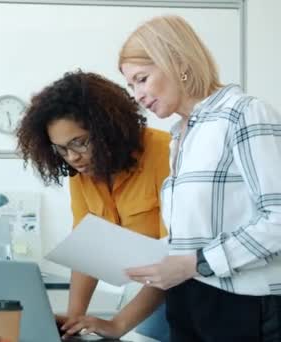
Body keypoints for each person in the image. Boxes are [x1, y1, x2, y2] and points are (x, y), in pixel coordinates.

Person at [119, 15, 281, 341]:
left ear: (177, 62)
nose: (137, 94)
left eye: (142, 79)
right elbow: (200, 232)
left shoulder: (243, 112)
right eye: (130, 85)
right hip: (186, 299)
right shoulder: (181, 134)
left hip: (241, 304)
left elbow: (278, 219)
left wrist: (196, 263)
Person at [15, 70, 171, 340]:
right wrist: (74, 321)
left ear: (107, 128)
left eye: (79, 142)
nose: (73, 157)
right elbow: (87, 252)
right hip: (141, 291)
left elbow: (174, 260)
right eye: (61, 149)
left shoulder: (166, 153)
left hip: (181, 290)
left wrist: (118, 324)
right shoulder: (82, 173)